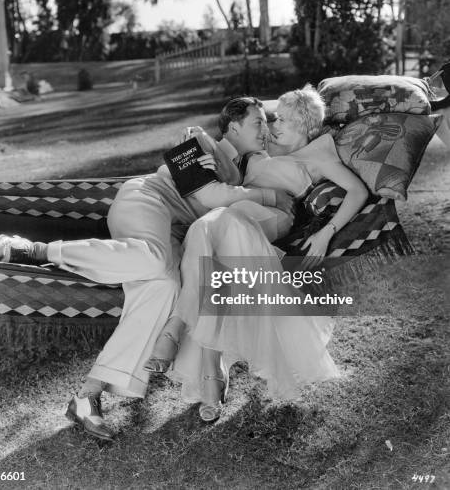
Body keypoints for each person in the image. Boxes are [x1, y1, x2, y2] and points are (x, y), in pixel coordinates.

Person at [0, 97, 295, 441]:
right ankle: (34, 250)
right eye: (258, 122)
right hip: (146, 202)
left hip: (171, 235)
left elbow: (224, 201)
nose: (265, 130)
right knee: (154, 260)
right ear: (234, 126)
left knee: (166, 287)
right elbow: (210, 197)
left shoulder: (238, 173)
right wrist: (269, 197)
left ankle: (87, 396)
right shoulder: (196, 140)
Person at [145, 86, 369, 422]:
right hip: (235, 213)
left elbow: (358, 190)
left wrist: (327, 232)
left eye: (285, 121)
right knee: (207, 232)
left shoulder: (320, 153)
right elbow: (247, 113)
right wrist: (200, 139)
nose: (274, 126)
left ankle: (177, 327)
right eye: (274, 119)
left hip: (273, 219)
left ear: (307, 126)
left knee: (213, 226)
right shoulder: (268, 142)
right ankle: (211, 374)